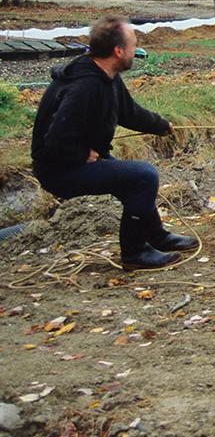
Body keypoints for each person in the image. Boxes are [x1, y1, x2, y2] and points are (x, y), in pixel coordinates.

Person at [31, 15, 194, 270]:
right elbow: (54, 141)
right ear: (118, 51)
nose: (136, 49)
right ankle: (135, 253)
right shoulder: (84, 86)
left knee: (133, 181)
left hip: (76, 159)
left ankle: (157, 237)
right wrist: (81, 154)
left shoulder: (106, 75)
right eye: (133, 44)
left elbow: (128, 112)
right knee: (144, 176)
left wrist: (161, 125)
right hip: (60, 170)